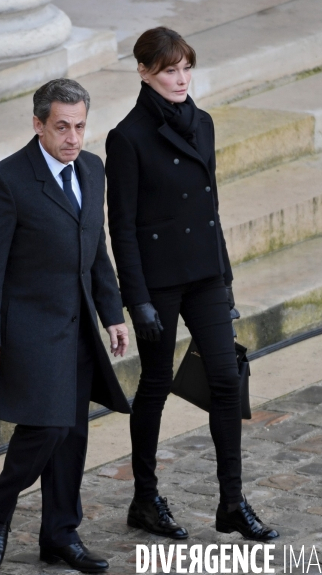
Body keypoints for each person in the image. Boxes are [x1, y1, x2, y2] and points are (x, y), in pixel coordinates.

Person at [105, 27, 279, 541]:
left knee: (225, 380)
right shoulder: (127, 137)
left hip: (204, 275)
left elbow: (210, 210)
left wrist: (224, 283)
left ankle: (231, 503)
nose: (180, 79)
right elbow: (123, 227)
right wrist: (135, 299)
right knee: (155, 387)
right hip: (157, 284)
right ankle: (145, 499)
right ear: (143, 72)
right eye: (168, 70)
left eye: (186, 68)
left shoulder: (202, 123)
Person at [0, 78, 131, 573]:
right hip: (30, 328)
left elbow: (95, 249)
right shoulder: (6, 181)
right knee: (49, 426)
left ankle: (60, 535)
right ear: (38, 124)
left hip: (79, 324)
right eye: (62, 127)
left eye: (80, 126)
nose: (73, 137)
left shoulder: (93, 169)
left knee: (74, 433)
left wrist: (113, 313)